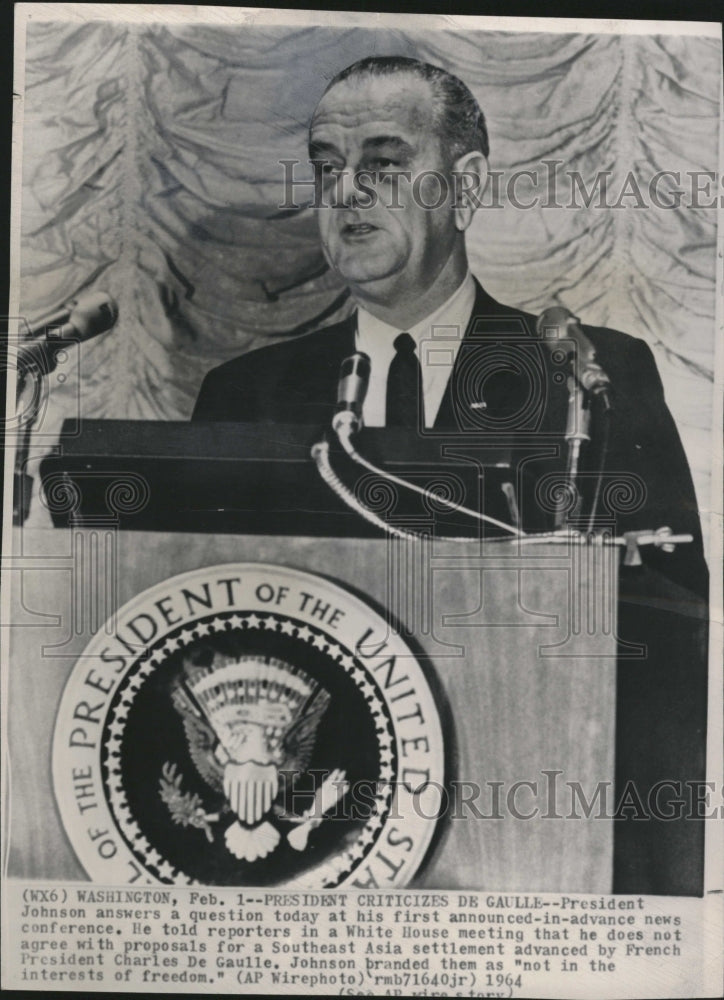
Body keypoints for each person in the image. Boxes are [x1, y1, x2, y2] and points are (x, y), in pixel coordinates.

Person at [193, 56, 708, 895]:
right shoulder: (244, 396)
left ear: (463, 189)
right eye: (328, 168)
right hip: (302, 848)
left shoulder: (587, 380)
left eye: (385, 166)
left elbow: (676, 633)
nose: (348, 191)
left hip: (524, 844)